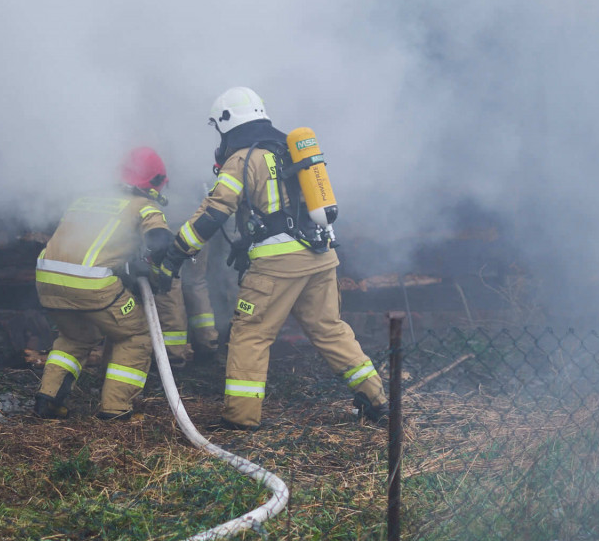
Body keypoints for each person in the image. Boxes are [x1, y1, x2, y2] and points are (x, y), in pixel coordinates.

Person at [155, 87, 389, 430]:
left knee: (251, 335)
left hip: (278, 266)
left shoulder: (242, 159)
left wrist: (176, 252)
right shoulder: (288, 148)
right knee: (330, 330)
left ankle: (240, 418)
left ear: (226, 122)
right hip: (320, 256)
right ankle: (377, 399)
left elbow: (213, 213)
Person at [33, 146, 173, 420]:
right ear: (154, 182)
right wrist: (156, 266)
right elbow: (160, 240)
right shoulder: (144, 205)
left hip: (47, 278)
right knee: (135, 334)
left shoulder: (86, 199)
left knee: (75, 336)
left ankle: (47, 399)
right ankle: (116, 409)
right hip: (91, 283)